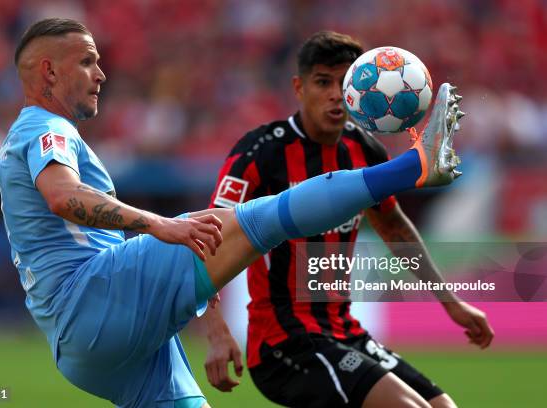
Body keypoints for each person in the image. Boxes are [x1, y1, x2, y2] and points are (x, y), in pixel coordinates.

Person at [0, 19, 465, 408]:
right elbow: (61, 195)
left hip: (87, 348)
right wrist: (158, 224)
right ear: (49, 72)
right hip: (90, 302)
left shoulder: (43, 133)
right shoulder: (43, 127)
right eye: (87, 61)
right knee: (251, 221)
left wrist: (211, 324)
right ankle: (415, 165)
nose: (101, 74)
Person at [202, 31, 494, 408]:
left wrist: (450, 301)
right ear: (299, 87)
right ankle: (418, 163)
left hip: (344, 331)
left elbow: (394, 227)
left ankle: (419, 162)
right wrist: (215, 330)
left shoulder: (362, 147)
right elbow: (207, 236)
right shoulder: (261, 152)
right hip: (284, 342)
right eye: (323, 82)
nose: (336, 94)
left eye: (345, 83)